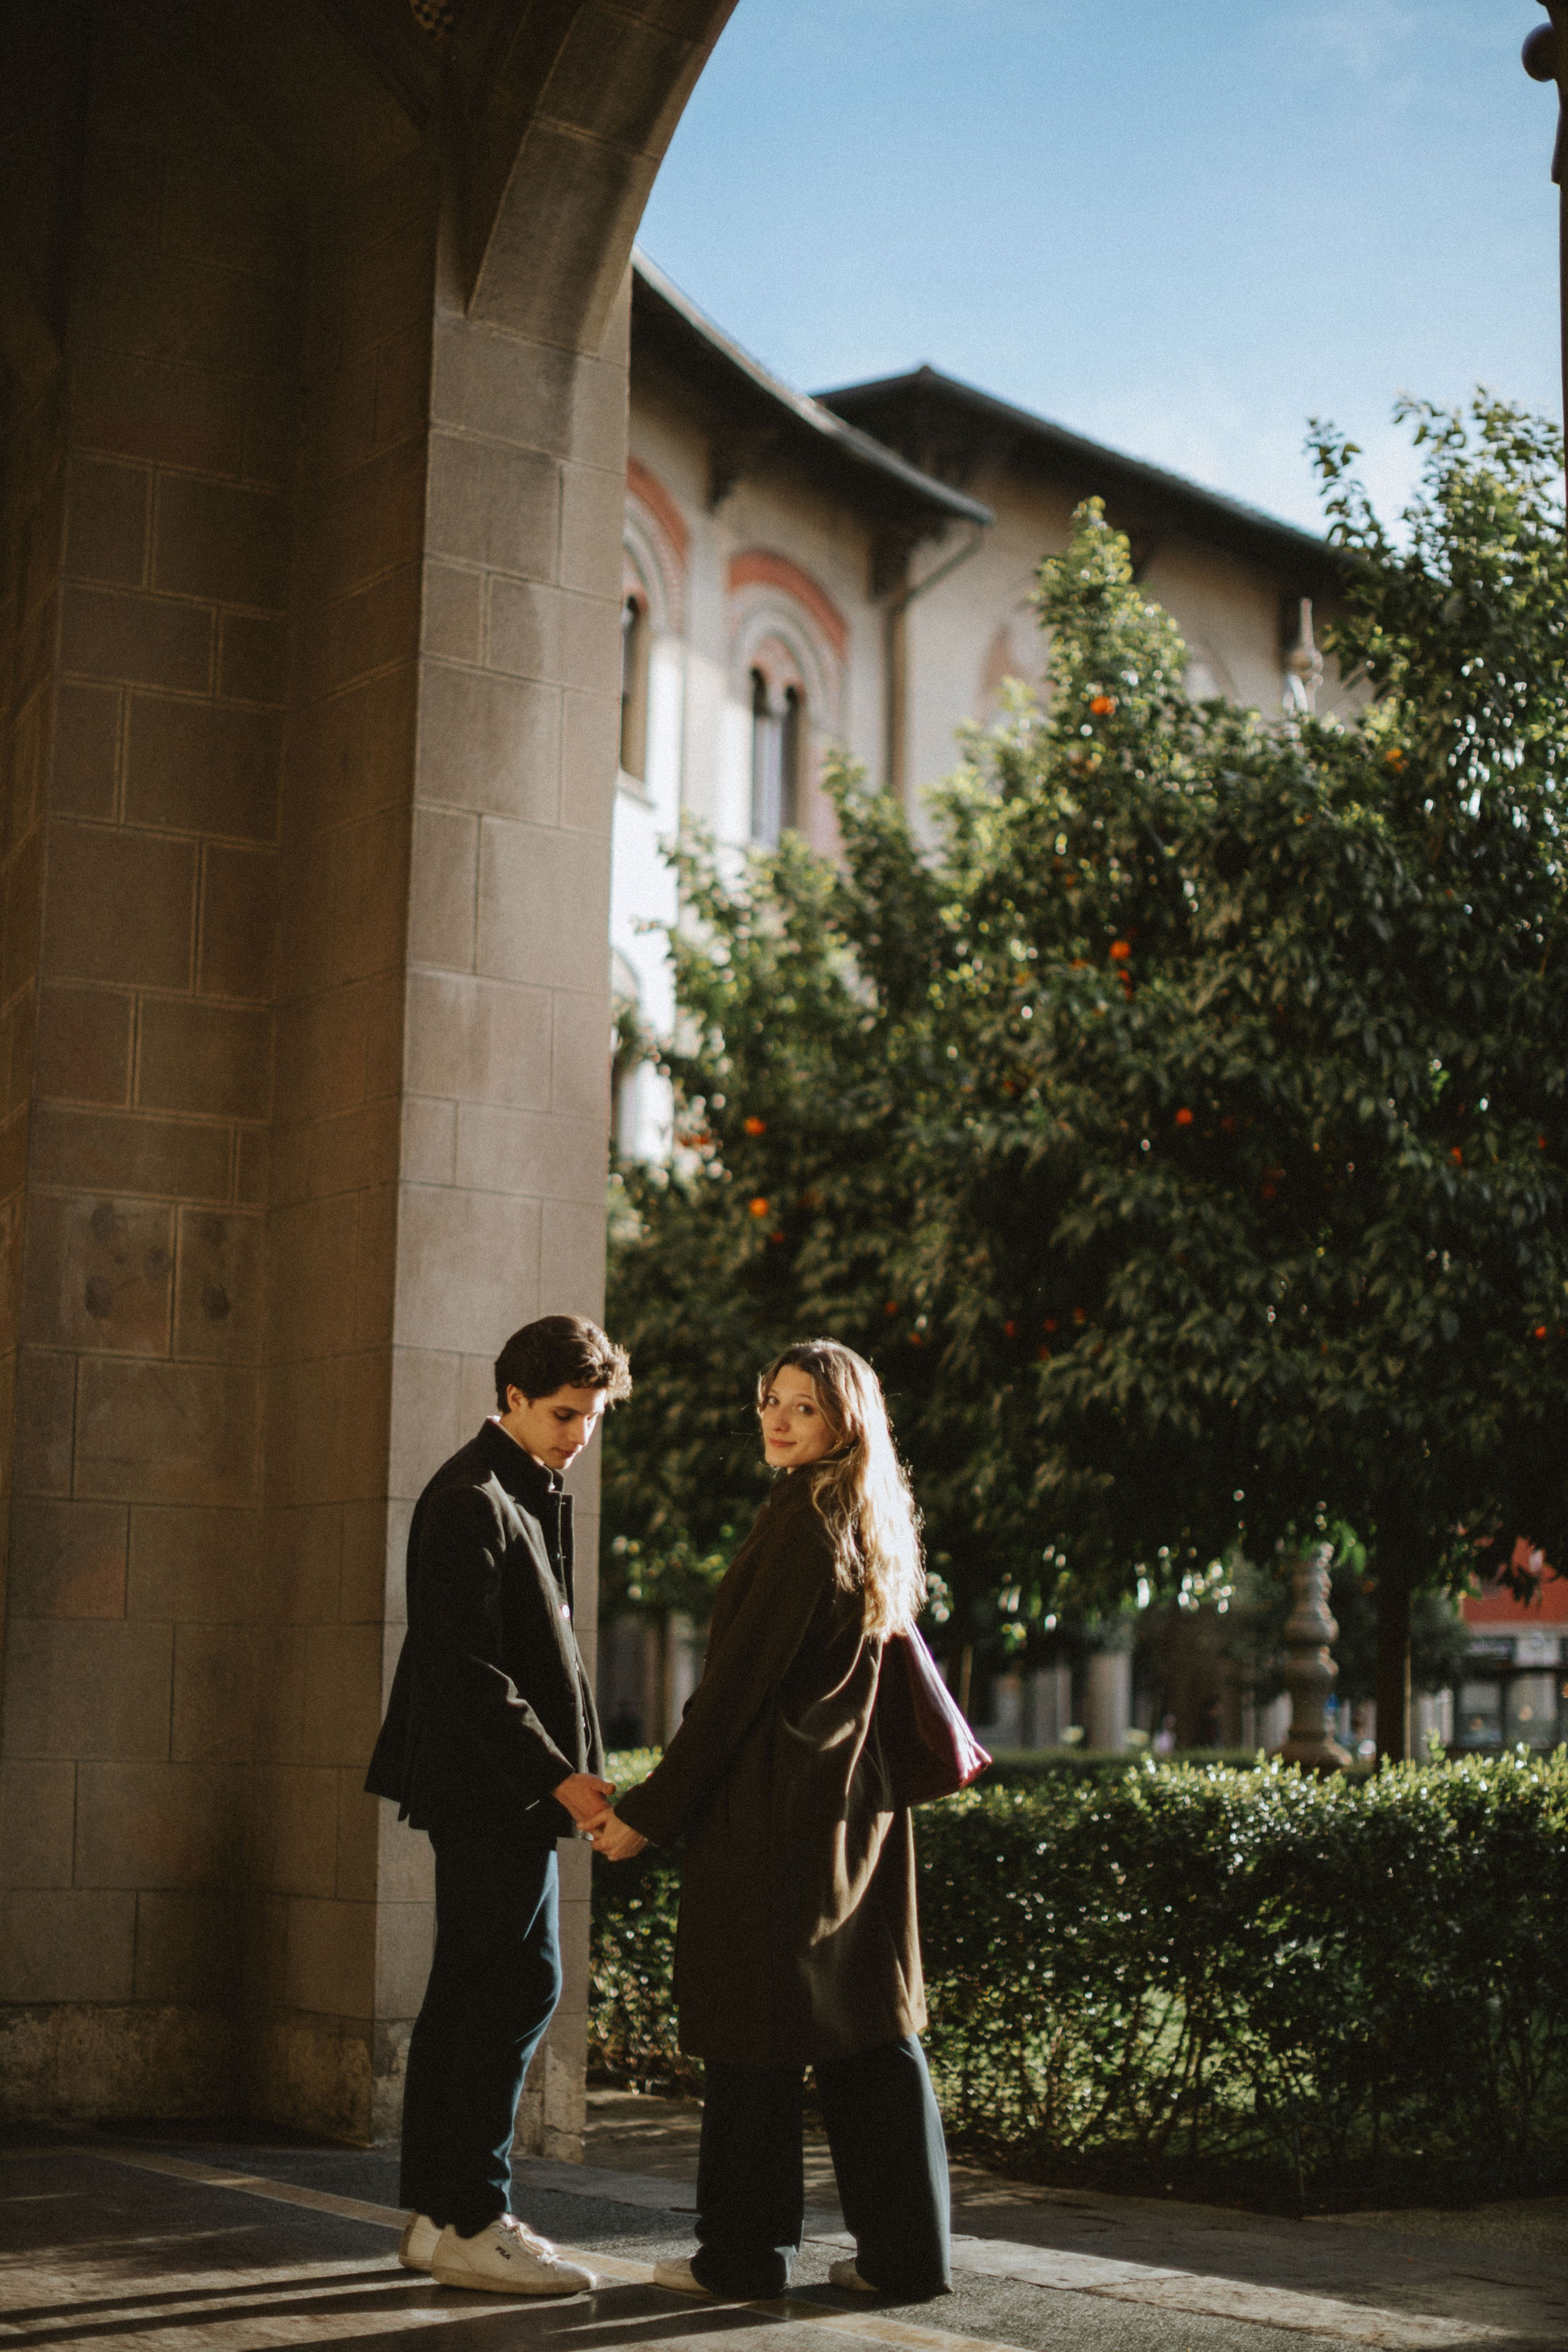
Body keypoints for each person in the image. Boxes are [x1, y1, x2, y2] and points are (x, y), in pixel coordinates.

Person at [594, 1340, 952, 2305]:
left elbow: (733, 1693)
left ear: (846, 1421)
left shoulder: (803, 1525)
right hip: (852, 1812)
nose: (780, 1419)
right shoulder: (861, 1516)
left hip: (777, 1814)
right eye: (772, 1401)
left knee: (753, 2033)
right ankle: (906, 2257)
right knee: (866, 2028)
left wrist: (647, 1816)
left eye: (805, 1405)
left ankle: (742, 2261)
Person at [364, 1314, 630, 2295]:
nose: (579, 1433)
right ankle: (471, 2216)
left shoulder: (519, 1490)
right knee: (511, 1988)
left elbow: (528, 1663)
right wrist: (558, 1776)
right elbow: (464, 1668)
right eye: (564, 1413)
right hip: (491, 1793)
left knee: (482, 1989)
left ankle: (443, 2218)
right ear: (512, 1397)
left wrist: (567, 1771)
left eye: (592, 1416)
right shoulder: (471, 1497)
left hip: (500, 1791)